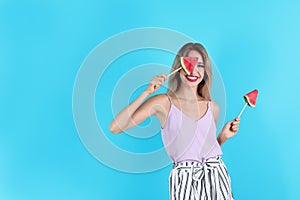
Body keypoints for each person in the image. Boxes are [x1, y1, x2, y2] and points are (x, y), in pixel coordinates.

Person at [109, 42, 240, 200]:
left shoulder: (213, 107)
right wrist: (147, 92)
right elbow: (115, 127)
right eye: (189, 64)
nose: (193, 71)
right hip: (185, 179)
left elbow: (203, 150)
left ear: (205, 72)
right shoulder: (163, 102)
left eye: (200, 65)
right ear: (179, 68)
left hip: (216, 174)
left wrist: (222, 138)